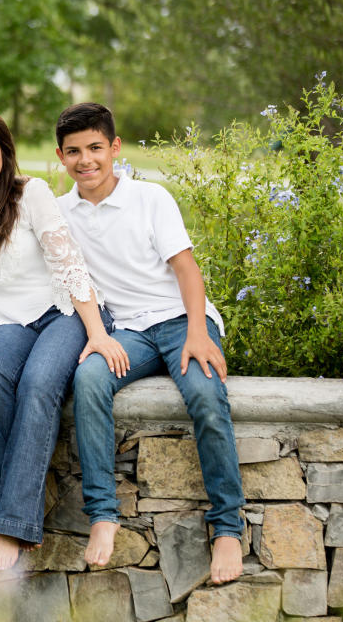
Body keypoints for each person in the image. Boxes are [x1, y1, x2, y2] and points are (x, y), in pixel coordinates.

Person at [54, 102, 244, 583]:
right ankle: (102, 515)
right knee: (90, 378)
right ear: (60, 156)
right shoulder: (61, 213)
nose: (86, 160)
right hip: (129, 333)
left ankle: (227, 528)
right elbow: (76, 281)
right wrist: (99, 335)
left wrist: (199, 333)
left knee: (204, 393)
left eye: (96, 148)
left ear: (114, 148)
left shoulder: (150, 199)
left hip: (182, 320)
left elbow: (186, 270)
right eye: (74, 151)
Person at [0, 105, 129, 571]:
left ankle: (12, 525)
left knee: (40, 382)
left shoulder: (30, 192)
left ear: (4, 149)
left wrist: (97, 333)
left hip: (66, 310)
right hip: (11, 323)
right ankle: (4, 510)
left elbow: (68, 263)